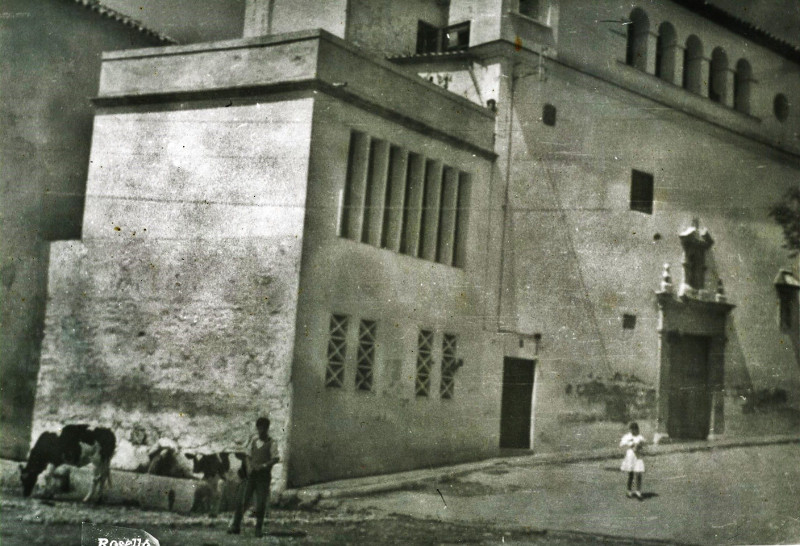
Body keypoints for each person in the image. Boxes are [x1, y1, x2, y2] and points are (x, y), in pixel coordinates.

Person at [228, 417, 279, 537]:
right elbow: (248, 456)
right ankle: (235, 526)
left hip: (263, 477)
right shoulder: (254, 441)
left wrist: (264, 465)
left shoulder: (272, 443)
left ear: (267, 429)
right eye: (259, 428)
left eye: (263, 428)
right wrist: (249, 466)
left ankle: (258, 529)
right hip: (252, 476)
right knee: (243, 501)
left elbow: (276, 458)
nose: (261, 431)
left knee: (260, 503)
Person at [619, 421, 645, 499]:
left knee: (638, 474)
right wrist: (630, 443)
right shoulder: (627, 436)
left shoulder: (640, 437)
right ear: (630, 429)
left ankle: (638, 491)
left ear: (637, 429)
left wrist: (639, 445)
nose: (634, 431)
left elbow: (643, 443)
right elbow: (621, 444)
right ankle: (629, 491)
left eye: (635, 429)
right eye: (632, 429)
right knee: (631, 474)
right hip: (630, 456)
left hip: (638, 457)